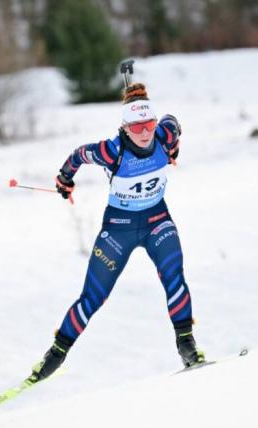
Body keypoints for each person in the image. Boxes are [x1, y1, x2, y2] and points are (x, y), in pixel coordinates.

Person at [29, 82, 204, 382]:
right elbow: (78, 155)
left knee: (174, 276)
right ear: (125, 127)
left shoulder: (164, 135)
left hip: (157, 221)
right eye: (136, 128)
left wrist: (174, 146)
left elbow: (173, 123)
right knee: (93, 297)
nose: (145, 133)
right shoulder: (112, 151)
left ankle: (187, 346)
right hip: (118, 229)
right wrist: (63, 179)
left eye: (148, 124)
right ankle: (53, 357)